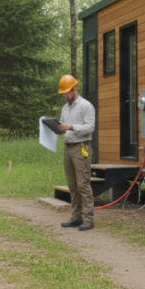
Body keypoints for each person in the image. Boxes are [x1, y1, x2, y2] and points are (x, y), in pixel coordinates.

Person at [57, 74, 97, 231]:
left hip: (81, 148)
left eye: (66, 92)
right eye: (63, 93)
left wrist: (71, 127)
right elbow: (62, 126)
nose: (65, 95)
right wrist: (56, 128)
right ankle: (76, 217)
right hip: (68, 148)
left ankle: (88, 219)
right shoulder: (65, 108)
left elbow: (90, 127)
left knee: (83, 185)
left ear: (74, 89)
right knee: (72, 185)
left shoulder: (85, 106)